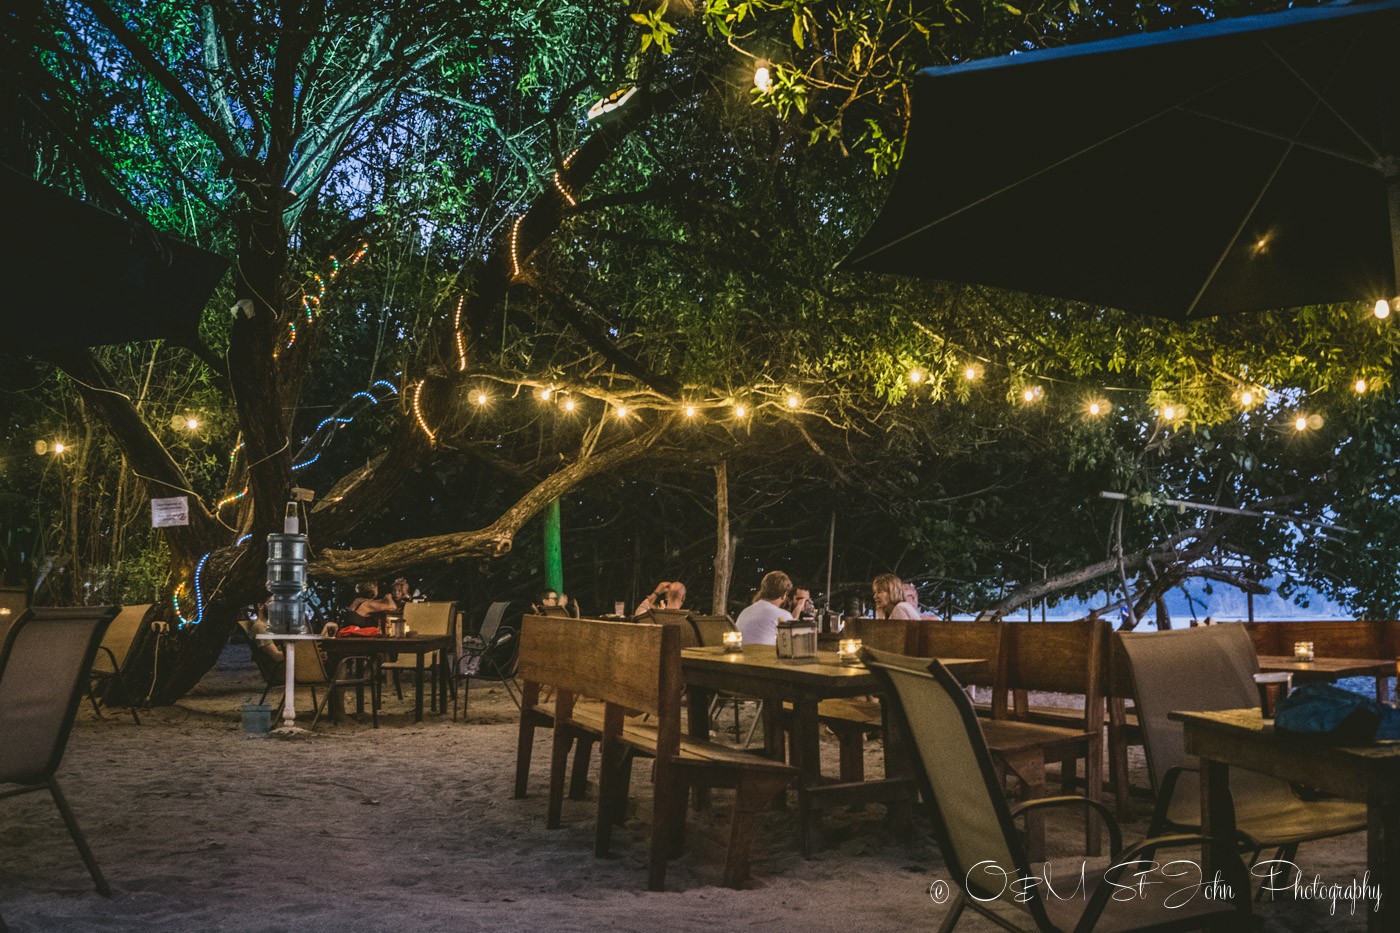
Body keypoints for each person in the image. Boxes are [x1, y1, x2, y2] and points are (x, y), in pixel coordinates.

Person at [735, 570, 794, 646]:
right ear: (784, 594)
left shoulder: (745, 611)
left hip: (742, 655)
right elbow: (791, 645)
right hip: (763, 656)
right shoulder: (783, 615)